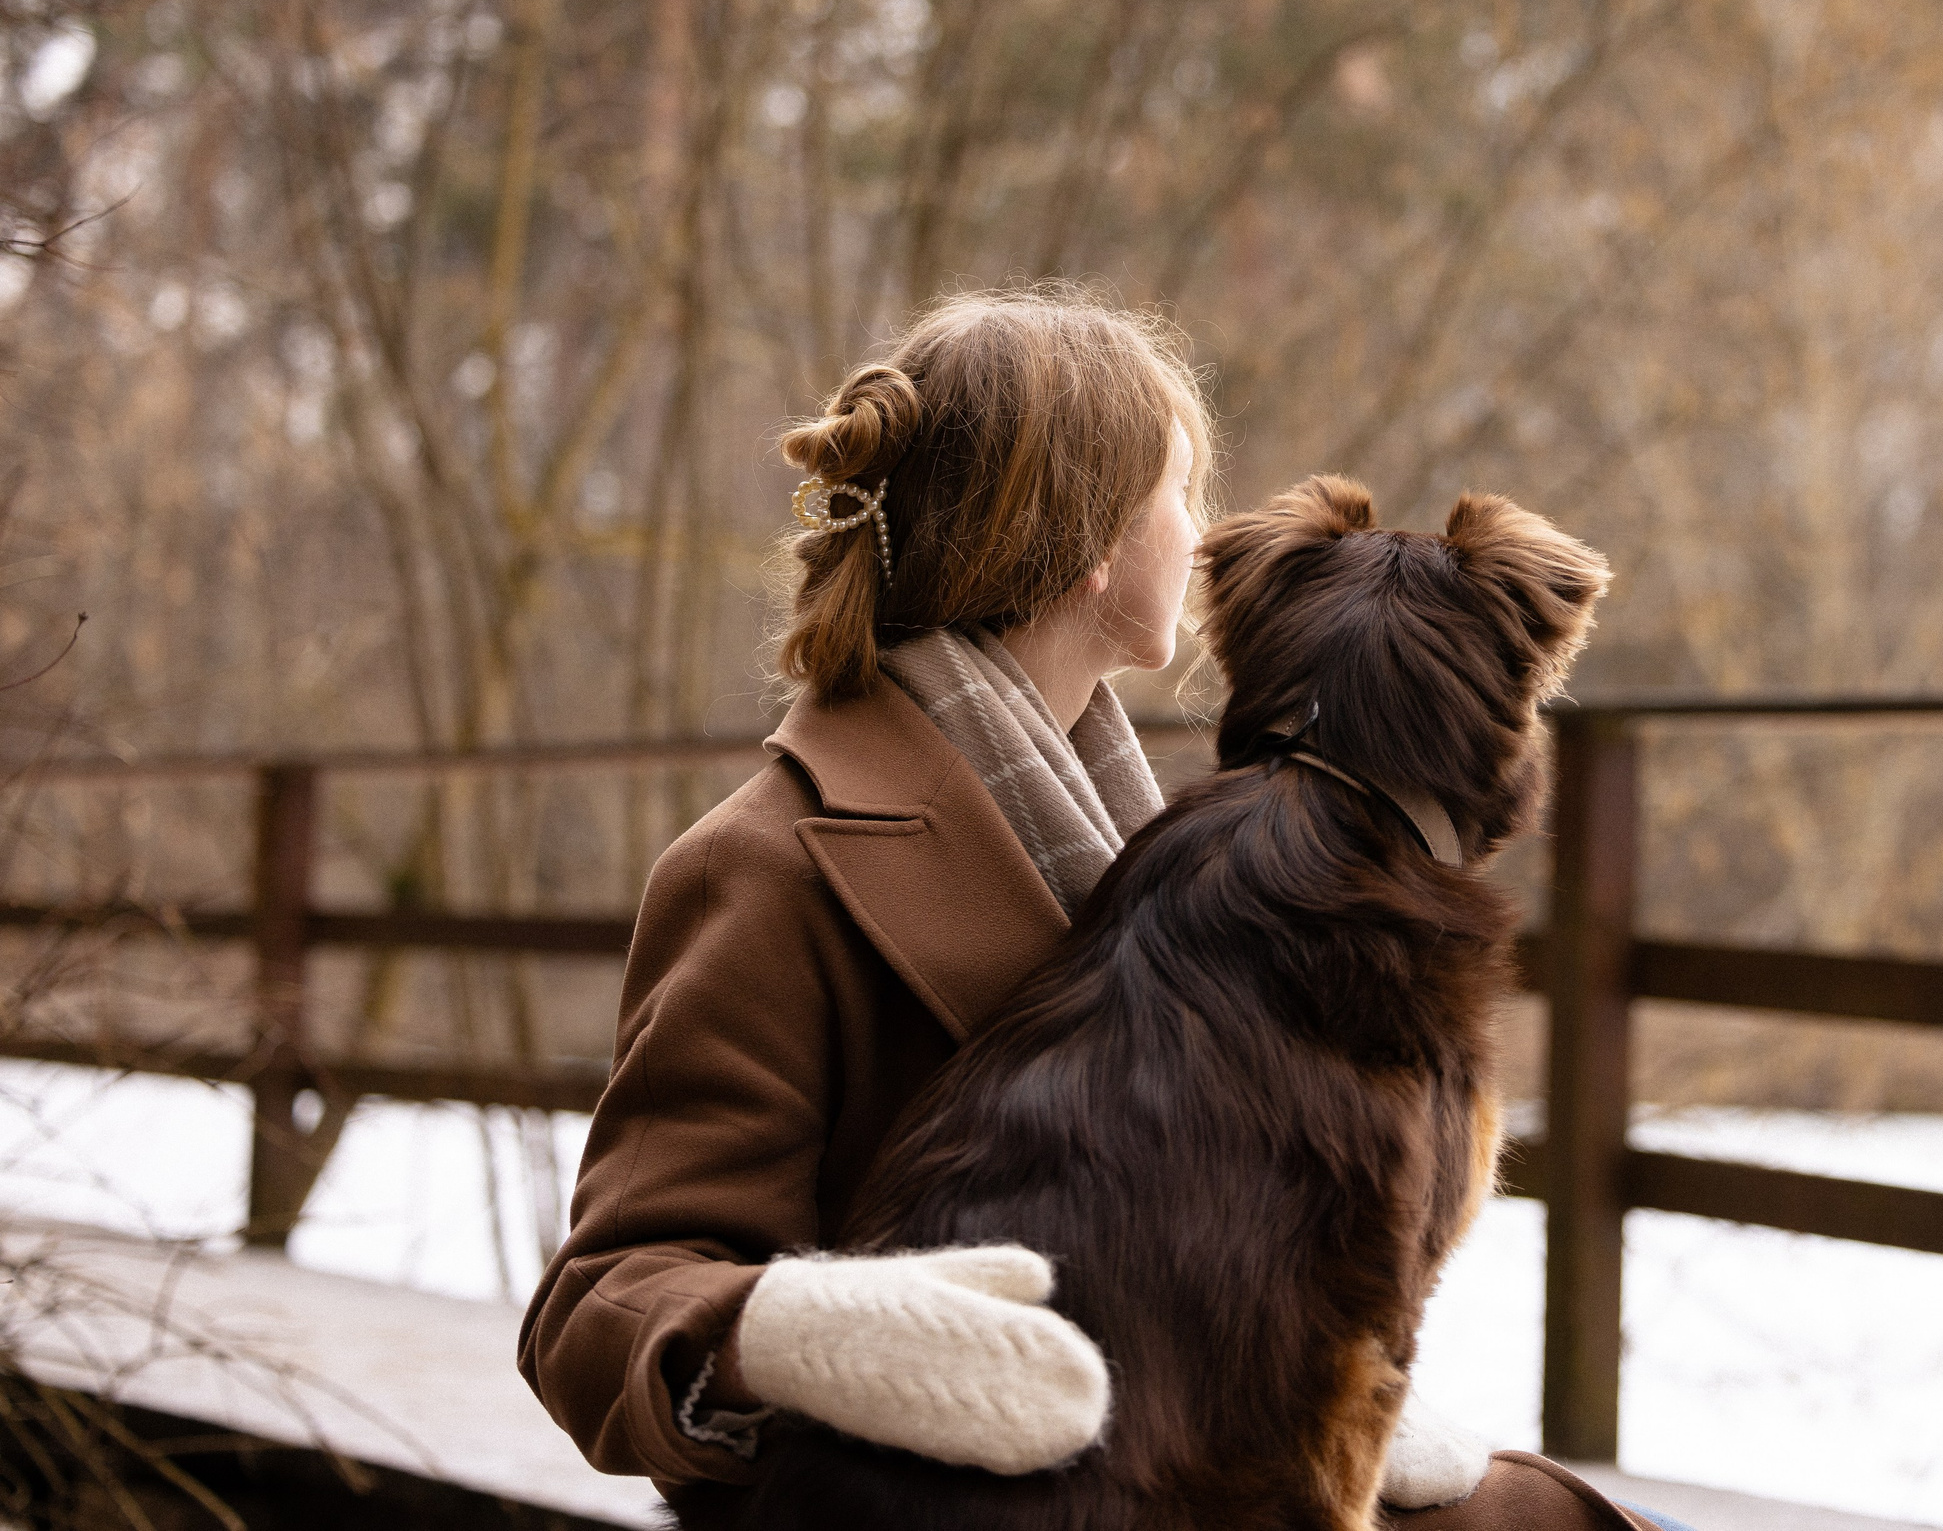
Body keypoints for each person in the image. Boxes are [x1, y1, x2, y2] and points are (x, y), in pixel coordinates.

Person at [517, 288, 1657, 1531]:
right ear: (1095, 542)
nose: (1204, 529)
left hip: (1174, 1464)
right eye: (1182, 491)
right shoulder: (763, 862)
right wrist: (796, 1335)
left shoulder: (1167, 844)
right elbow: (596, 1307)